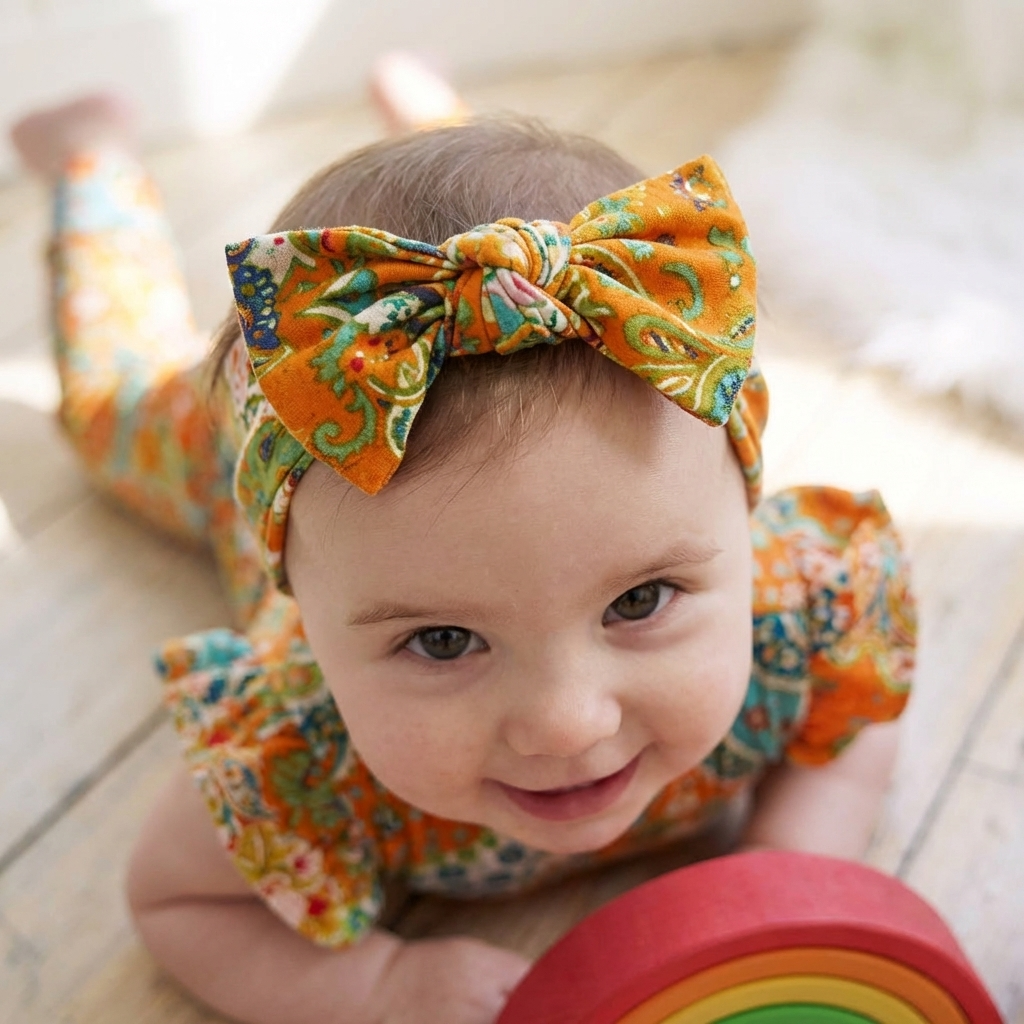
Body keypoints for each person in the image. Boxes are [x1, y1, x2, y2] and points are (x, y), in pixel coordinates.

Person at [11, 56, 915, 1024]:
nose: (568, 723)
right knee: (112, 404)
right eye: (442, 640)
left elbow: (861, 721)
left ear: (743, 518)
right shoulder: (303, 760)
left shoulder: (794, 610)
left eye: (639, 600)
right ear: (303, 607)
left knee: (497, 196)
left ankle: (441, 136)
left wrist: (793, 847)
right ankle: (91, 160)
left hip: (506, 285)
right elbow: (179, 899)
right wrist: (373, 985)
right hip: (289, 422)